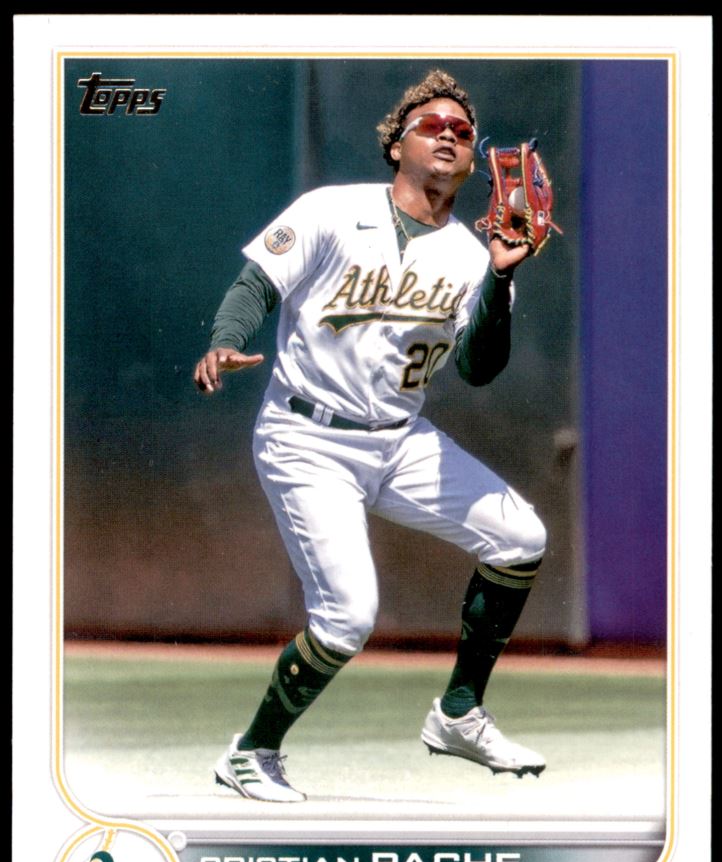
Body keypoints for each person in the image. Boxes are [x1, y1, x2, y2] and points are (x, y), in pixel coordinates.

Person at [194, 69, 547, 803]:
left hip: (399, 438)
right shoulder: (333, 209)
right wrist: (226, 338)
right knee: (348, 617)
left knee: (521, 538)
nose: (449, 135)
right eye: (432, 125)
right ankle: (251, 752)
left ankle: (459, 713)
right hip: (307, 438)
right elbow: (257, 283)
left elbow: (479, 369)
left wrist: (500, 280)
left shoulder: (473, 256)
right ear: (396, 145)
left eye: (462, 131)